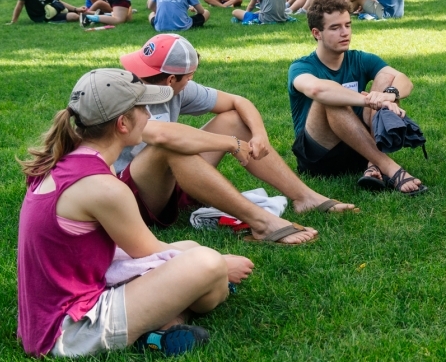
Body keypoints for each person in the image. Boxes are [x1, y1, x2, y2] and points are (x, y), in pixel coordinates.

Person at [16, 68, 256, 358]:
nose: (150, 116)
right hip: (70, 330)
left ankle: (160, 327)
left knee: (192, 249)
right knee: (206, 265)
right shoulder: (103, 187)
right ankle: (158, 330)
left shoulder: (75, 159)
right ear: (122, 124)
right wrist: (220, 264)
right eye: (144, 108)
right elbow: (150, 251)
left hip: (55, 311)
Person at [114, 34, 352, 244]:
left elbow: (239, 102)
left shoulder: (177, 87)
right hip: (129, 199)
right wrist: (231, 143)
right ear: (173, 80)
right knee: (170, 147)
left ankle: (304, 197)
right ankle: (262, 223)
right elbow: (163, 135)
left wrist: (260, 135)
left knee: (233, 120)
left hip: (170, 184)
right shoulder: (124, 94)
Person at [288, 0, 427, 195]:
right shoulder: (301, 66)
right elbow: (317, 89)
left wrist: (388, 95)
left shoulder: (360, 59)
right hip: (319, 157)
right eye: (335, 28)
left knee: (386, 78)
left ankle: (373, 164)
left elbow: (404, 80)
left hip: (359, 148)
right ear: (317, 33)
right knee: (330, 98)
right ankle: (391, 169)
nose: (345, 33)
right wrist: (370, 101)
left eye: (348, 25)